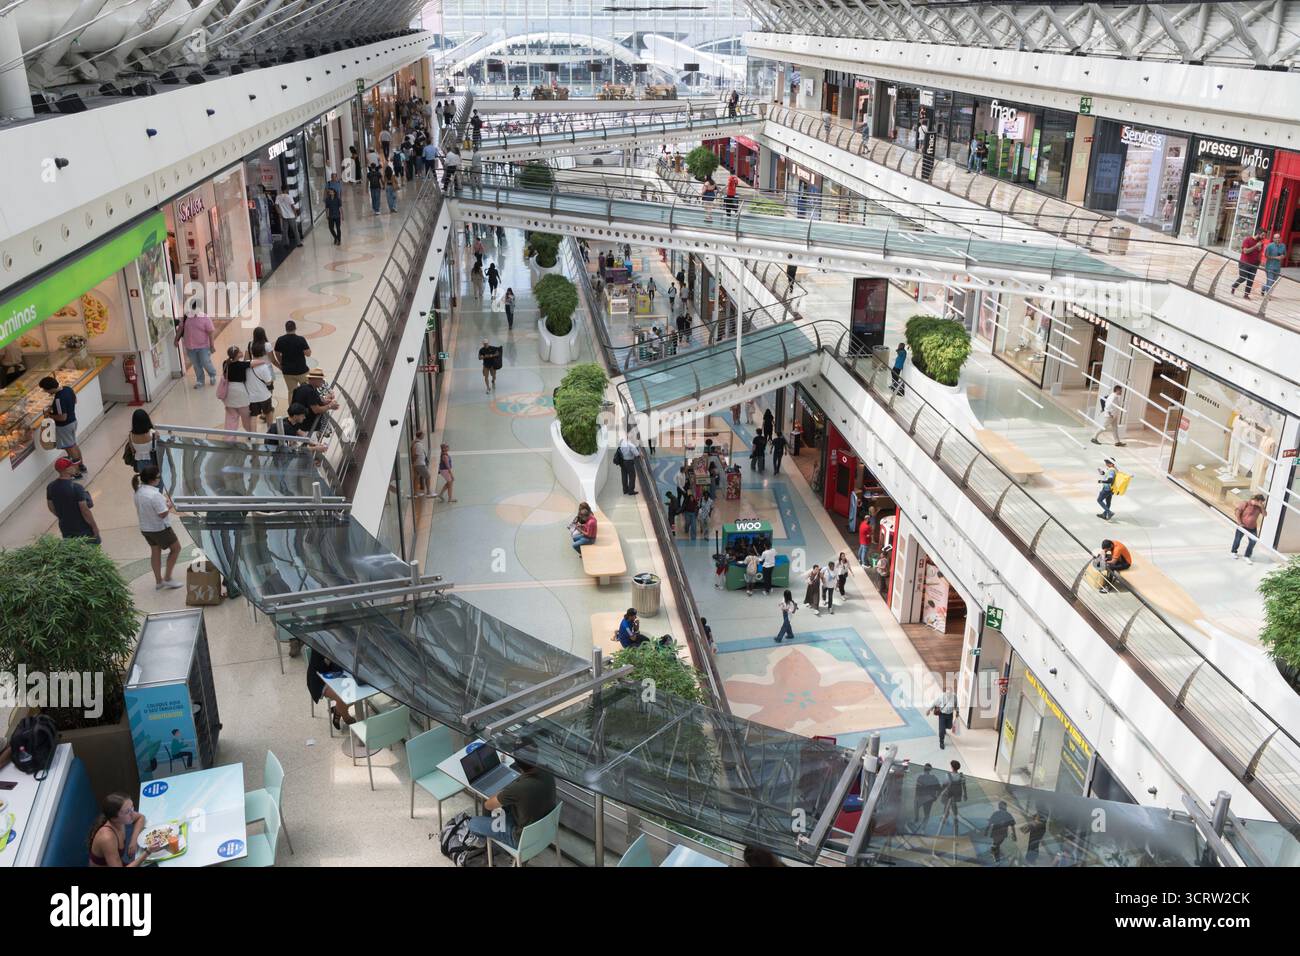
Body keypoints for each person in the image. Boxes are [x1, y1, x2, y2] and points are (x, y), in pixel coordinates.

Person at [467, 756, 557, 851]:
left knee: (473, 823)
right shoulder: (547, 771)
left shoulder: (518, 788)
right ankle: (491, 837)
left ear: (517, 765)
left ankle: (491, 846)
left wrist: (502, 791)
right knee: (505, 808)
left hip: (521, 840)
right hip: (545, 831)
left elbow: (488, 805)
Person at [133, 465, 184, 589]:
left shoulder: (139, 491)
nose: (160, 479)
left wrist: (164, 503)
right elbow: (162, 514)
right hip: (160, 529)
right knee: (176, 549)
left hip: (146, 528)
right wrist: (170, 504)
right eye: (158, 477)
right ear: (152, 479)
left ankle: (159, 581)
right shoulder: (154, 495)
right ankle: (167, 578)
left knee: (155, 551)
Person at [87, 793, 152, 867]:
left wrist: (133, 841)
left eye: (132, 807)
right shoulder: (107, 838)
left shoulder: (119, 820)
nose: (132, 813)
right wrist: (147, 852)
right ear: (114, 818)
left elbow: (141, 817)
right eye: (127, 812)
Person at [38, 375, 85, 476]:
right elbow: (75, 401)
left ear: (50, 388)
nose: (46, 392)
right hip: (73, 422)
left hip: (64, 426)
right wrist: (55, 407)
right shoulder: (67, 389)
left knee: (70, 448)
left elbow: (62, 417)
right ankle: (81, 465)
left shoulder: (58, 399)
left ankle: (76, 472)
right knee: (73, 445)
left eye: (45, 390)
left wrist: (49, 415)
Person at [47, 457, 99, 543]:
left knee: (73, 550)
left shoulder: (51, 486)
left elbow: (50, 506)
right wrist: (94, 527)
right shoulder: (77, 488)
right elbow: (85, 510)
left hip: (65, 527)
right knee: (91, 550)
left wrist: (62, 516)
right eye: (72, 466)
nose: (75, 467)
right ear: (66, 470)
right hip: (82, 528)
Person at [306, 646, 357, 730]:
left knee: (355, 694)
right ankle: (346, 717)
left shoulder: (341, 642)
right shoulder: (318, 644)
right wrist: (329, 658)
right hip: (319, 681)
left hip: (338, 675)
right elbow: (320, 668)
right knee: (344, 698)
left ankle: (338, 709)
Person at [178, 306, 218, 388]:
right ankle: (200, 381)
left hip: (203, 346)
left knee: (205, 362)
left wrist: (212, 346)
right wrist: (176, 340)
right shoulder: (186, 317)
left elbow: (211, 332)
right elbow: (180, 329)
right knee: (196, 364)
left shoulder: (205, 318)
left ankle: (212, 375)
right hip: (190, 347)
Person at [290, 369, 337, 435]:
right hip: (307, 428)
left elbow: (314, 402)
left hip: (300, 425)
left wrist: (324, 401)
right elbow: (317, 410)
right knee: (312, 443)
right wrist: (330, 406)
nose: (323, 381)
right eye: (320, 379)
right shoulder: (310, 391)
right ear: (314, 379)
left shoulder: (304, 387)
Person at [219, 345, 253, 433]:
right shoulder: (242, 365)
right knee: (246, 417)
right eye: (240, 352)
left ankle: (229, 438)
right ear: (237, 355)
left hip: (229, 393)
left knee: (230, 418)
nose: (241, 352)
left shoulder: (225, 363)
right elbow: (256, 362)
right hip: (240, 393)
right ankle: (250, 434)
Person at [274, 320, 312, 395]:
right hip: (302, 370)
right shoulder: (301, 339)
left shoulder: (280, 340)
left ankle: (292, 406)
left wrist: (281, 362)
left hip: (287, 371)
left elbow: (277, 353)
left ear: (286, 329)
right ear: (295, 328)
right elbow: (308, 354)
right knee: (307, 391)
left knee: (292, 392)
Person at [247, 341, 275, 428]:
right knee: (268, 412)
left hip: (251, 396)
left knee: (253, 416)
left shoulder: (246, 365)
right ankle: (270, 432)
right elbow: (268, 381)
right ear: (263, 353)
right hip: (264, 396)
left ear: (251, 352)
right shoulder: (264, 366)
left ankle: (253, 436)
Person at [1231, 493, 1266, 563]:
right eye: (1260, 502)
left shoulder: (1259, 507)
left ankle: (1247, 556)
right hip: (1243, 525)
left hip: (1252, 527)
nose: (1261, 503)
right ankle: (1233, 552)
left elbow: (1265, 515)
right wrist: (1240, 523)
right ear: (1256, 500)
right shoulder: (1245, 503)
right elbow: (1237, 512)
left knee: (1253, 541)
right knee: (1238, 539)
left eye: (1262, 502)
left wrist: (1261, 507)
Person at [1231, 229, 1265, 298]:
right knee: (1243, 278)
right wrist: (1255, 246)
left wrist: (1259, 261)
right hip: (1244, 263)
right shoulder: (1247, 240)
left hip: (1254, 264)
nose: (1263, 237)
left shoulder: (1261, 243)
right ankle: (1234, 286)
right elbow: (1245, 251)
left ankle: (1246, 295)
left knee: (1251, 280)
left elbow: (1259, 253)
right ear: (1258, 234)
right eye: (1262, 235)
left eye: (1264, 235)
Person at [125, 408, 158, 475]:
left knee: (144, 480)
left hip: (140, 463)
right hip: (153, 462)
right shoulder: (153, 433)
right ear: (147, 420)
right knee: (155, 480)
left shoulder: (131, 435)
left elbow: (133, 450)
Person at [937, 760, 966, 835]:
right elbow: (964, 786)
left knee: (946, 808)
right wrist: (965, 795)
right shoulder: (961, 776)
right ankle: (954, 822)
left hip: (948, 795)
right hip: (956, 796)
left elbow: (944, 785)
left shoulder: (948, 775)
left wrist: (940, 792)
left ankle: (943, 821)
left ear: (952, 767)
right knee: (952, 809)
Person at [913, 762, 941, 829]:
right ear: (930, 770)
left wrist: (916, 799)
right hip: (929, 799)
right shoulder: (934, 778)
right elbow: (940, 789)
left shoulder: (920, 777)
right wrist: (936, 797)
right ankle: (923, 827)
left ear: (924, 769)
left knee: (916, 808)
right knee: (927, 814)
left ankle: (916, 820)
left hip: (921, 798)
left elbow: (917, 790)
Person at [930, 681, 957, 749]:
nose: (948, 693)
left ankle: (944, 728)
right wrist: (929, 710)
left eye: (950, 692)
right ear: (945, 692)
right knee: (941, 730)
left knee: (949, 726)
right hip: (942, 715)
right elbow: (934, 703)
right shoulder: (941, 697)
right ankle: (941, 741)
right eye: (947, 692)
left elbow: (956, 704)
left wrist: (958, 712)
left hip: (950, 714)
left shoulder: (954, 696)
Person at [411, 429, 432, 497]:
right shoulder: (418, 444)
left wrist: (413, 464)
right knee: (428, 476)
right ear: (420, 435)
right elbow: (416, 455)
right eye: (423, 435)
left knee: (416, 478)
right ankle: (428, 492)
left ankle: (416, 493)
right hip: (420, 464)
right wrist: (414, 462)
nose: (424, 436)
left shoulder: (414, 443)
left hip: (417, 464)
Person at [324, 173, 343, 244]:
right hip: (331, 212)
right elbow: (325, 191)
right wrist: (325, 199)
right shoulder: (328, 183)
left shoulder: (338, 183)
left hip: (337, 207)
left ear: (336, 177)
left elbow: (341, 192)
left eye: (335, 177)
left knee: (338, 228)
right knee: (331, 228)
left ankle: (339, 240)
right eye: (332, 177)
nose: (333, 178)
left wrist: (340, 199)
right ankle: (336, 238)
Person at [1097, 457, 1117, 521]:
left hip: (1107, 488)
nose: (1106, 464)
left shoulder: (1111, 470)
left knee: (1099, 500)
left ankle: (1109, 512)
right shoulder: (1113, 469)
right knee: (1108, 502)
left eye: (1107, 463)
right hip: (1111, 488)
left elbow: (1110, 480)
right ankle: (1104, 515)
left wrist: (1101, 481)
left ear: (1111, 464)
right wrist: (1101, 472)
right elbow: (1106, 474)